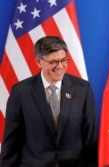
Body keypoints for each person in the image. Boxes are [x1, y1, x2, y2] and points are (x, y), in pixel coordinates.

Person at [0, 36, 98, 167]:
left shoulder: (83, 89)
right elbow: (12, 141)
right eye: (53, 62)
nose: (60, 66)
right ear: (39, 62)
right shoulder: (21, 92)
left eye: (64, 60)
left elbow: (90, 138)